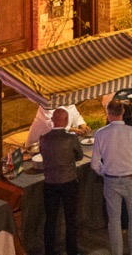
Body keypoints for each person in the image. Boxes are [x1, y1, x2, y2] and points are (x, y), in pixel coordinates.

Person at [93, 98, 132, 255]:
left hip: (110, 180)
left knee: (114, 220)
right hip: (131, 178)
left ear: (108, 114)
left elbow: (95, 164)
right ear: (123, 112)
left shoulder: (100, 134)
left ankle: (117, 252)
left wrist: (104, 172)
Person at [40, 108, 83, 255]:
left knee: (50, 220)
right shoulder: (71, 138)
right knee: (70, 219)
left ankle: (49, 251)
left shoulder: (44, 139)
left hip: (50, 183)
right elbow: (79, 155)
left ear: (52, 120)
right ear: (65, 121)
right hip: (69, 182)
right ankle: (72, 250)